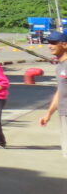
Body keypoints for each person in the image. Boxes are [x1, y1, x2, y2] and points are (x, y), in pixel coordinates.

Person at [38, 30, 67, 158]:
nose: (50, 46)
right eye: (49, 43)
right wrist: (48, 114)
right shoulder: (60, 66)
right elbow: (60, 91)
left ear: (64, 44)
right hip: (63, 113)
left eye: (54, 43)